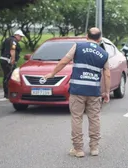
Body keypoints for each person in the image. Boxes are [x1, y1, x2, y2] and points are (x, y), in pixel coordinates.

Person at [44, 27, 111, 158]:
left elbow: (64, 60)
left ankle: (78, 149)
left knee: (77, 118)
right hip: (94, 91)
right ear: (100, 39)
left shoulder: (78, 47)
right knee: (95, 118)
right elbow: (107, 74)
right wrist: (107, 92)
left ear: (87, 36)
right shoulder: (104, 54)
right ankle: (94, 148)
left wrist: (52, 73)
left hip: (77, 90)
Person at [0, 30, 24, 98]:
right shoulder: (13, 41)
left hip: (3, 59)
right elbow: (12, 50)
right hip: (8, 60)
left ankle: (6, 92)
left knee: (6, 76)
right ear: (17, 35)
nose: (21, 39)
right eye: (20, 37)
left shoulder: (8, 39)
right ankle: (7, 93)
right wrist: (13, 59)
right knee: (9, 76)